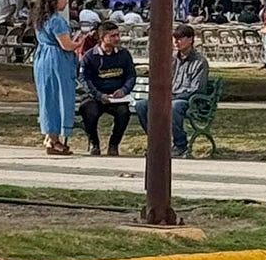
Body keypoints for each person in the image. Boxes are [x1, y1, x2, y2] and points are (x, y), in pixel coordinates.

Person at [135, 24, 209, 158]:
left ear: (191, 39)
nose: (176, 42)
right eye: (174, 38)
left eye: (180, 38)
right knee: (141, 105)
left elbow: (196, 89)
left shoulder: (200, 62)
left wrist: (171, 98)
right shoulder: (171, 59)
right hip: (169, 97)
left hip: (189, 101)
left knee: (174, 106)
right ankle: (157, 142)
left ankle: (180, 145)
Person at [31, 0, 80, 154]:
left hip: (42, 58)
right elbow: (66, 45)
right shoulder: (57, 21)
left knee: (47, 97)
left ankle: (49, 136)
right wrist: (80, 42)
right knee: (59, 97)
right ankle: (54, 138)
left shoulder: (40, 18)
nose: (66, 2)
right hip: (56, 60)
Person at [79, 20, 136, 155]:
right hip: (96, 97)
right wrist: (98, 95)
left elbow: (131, 75)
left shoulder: (124, 54)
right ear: (102, 38)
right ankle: (95, 144)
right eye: (112, 36)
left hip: (116, 98)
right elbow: (84, 79)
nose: (117, 38)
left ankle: (113, 145)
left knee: (123, 113)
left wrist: (124, 90)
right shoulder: (90, 56)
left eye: (118, 35)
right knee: (88, 111)